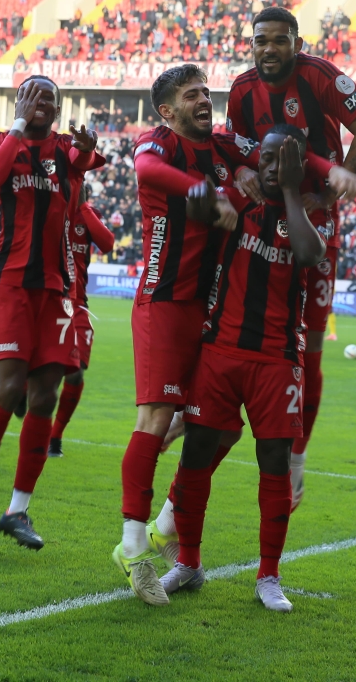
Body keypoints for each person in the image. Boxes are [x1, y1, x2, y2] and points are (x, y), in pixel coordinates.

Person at [114, 63, 268, 607]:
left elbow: (271, 154)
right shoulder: (158, 144)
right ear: (167, 111)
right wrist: (206, 190)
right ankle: (135, 550)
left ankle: (165, 523)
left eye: (206, 91)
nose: (204, 100)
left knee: (223, 427)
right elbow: (148, 172)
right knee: (155, 420)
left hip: (212, 315)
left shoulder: (223, 148)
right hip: (164, 305)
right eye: (190, 95)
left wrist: (331, 169)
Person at [157, 125, 326, 613]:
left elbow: (310, 254)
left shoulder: (306, 211)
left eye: (285, 160)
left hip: (276, 358)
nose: (274, 168)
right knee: (196, 457)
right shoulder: (239, 200)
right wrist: (216, 191)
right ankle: (188, 562)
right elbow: (195, 204)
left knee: (273, 461)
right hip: (220, 351)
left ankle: (269, 576)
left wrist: (292, 187)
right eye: (268, 159)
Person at [226, 5, 356, 512]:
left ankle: (296, 459)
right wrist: (242, 174)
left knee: (310, 342)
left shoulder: (321, 77)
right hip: (261, 216)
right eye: (260, 41)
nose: (268, 49)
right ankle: (192, 405)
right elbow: (237, 147)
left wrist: (330, 196)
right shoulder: (241, 89)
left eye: (278, 40)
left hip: (314, 221)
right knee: (230, 315)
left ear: (295, 41)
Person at [0, 76, 102, 549]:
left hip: (55, 290)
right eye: (34, 97)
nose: (44, 104)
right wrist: (19, 126)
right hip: (6, 282)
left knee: (44, 396)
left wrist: (87, 149)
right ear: (20, 102)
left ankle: (17, 509)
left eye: (51, 100)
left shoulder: (66, 150)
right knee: (12, 384)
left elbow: (84, 162)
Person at [49, 188, 115, 458]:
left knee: (76, 371)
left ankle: (55, 437)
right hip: (51, 297)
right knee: (48, 371)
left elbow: (108, 244)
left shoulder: (87, 215)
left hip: (78, 303)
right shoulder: (50, 207)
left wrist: (84, 205)